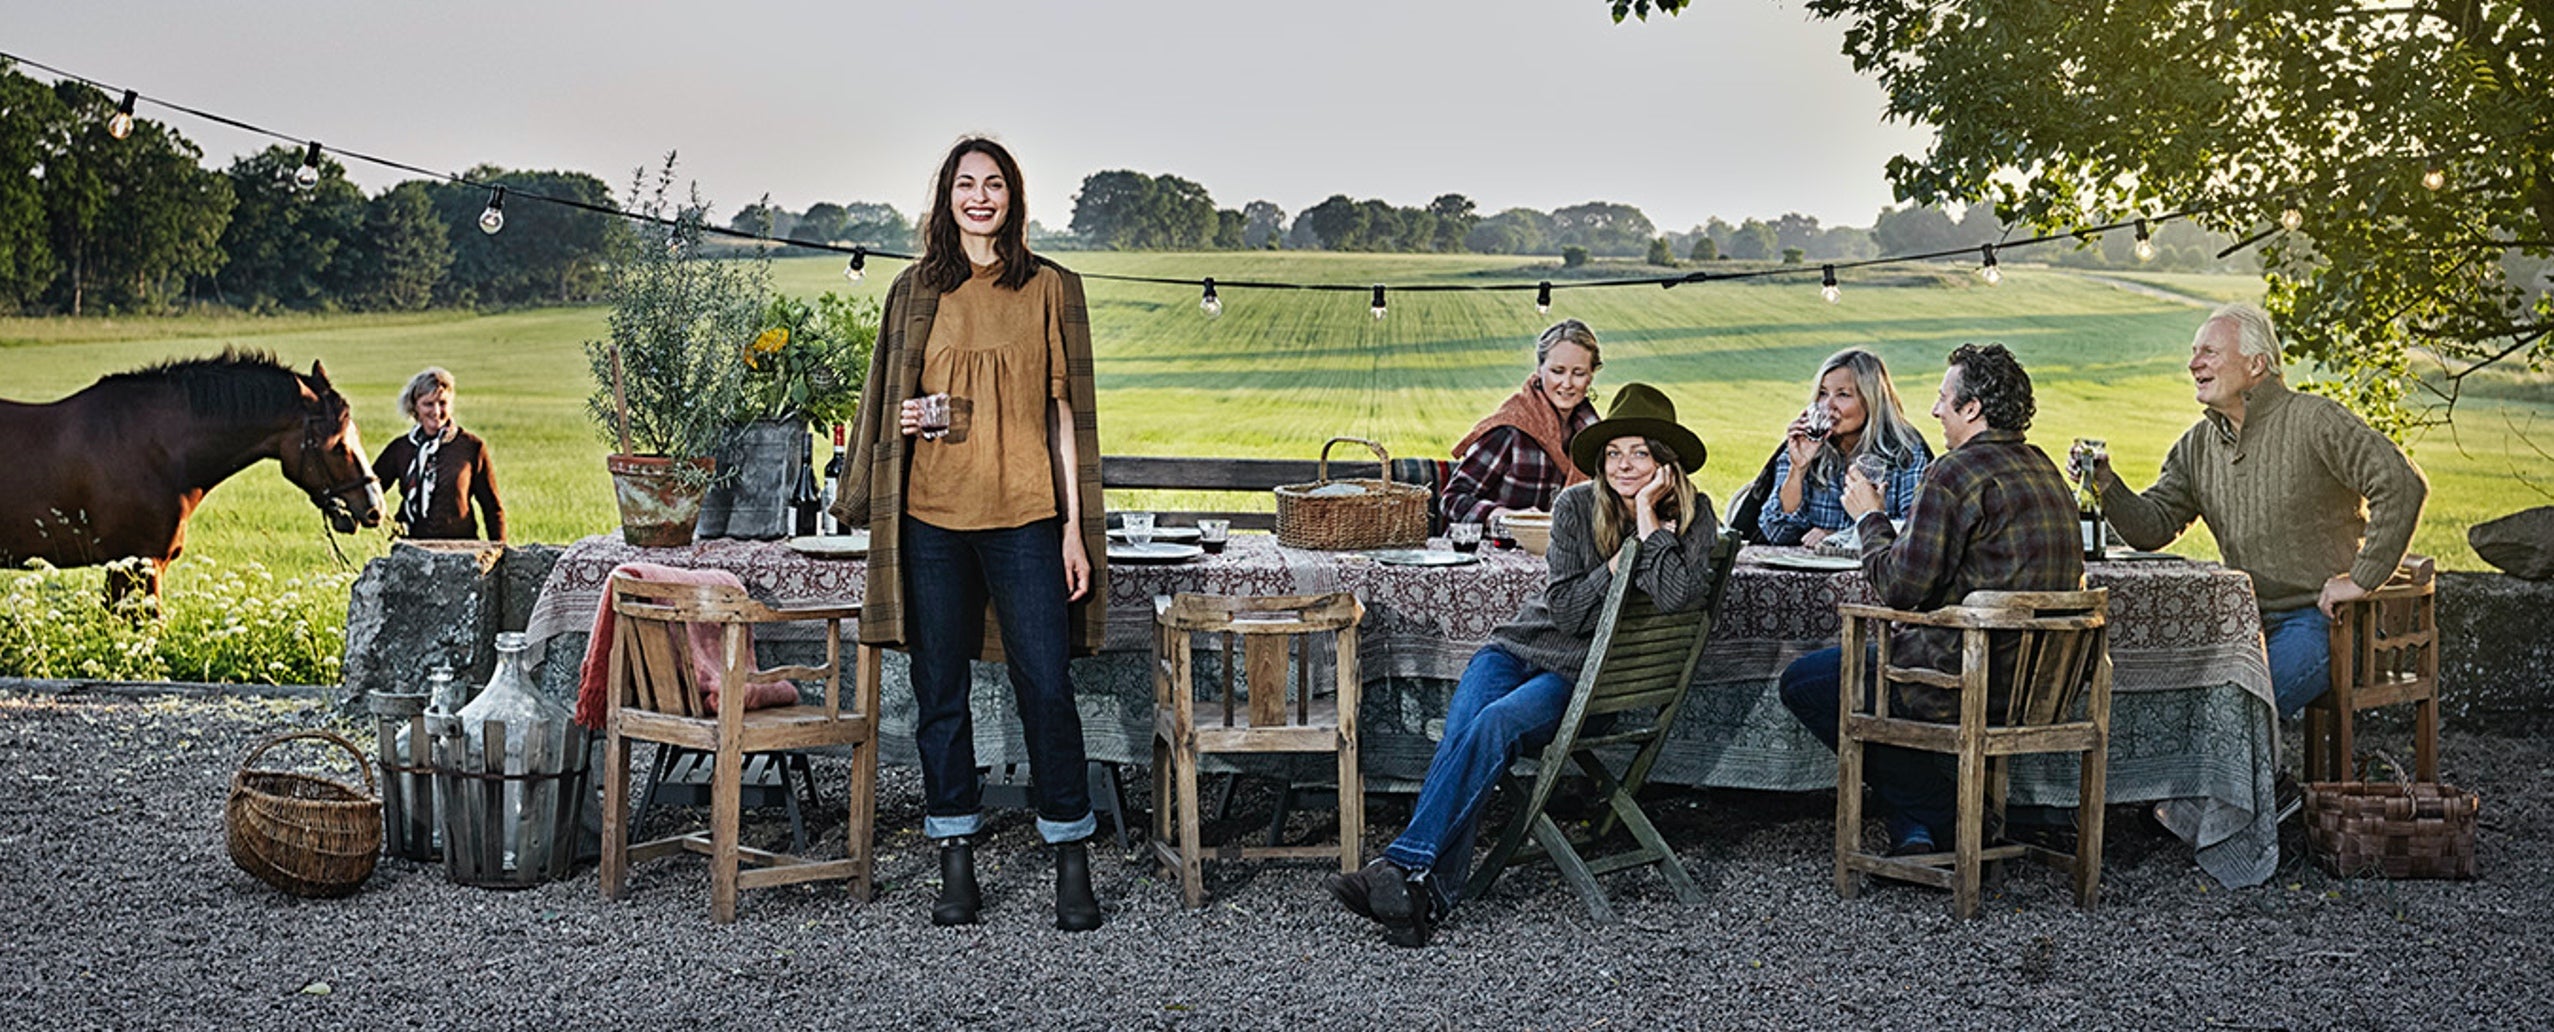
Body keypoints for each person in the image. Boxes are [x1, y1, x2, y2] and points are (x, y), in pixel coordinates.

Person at [829, 136, 1110, 932]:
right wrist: (909, 416)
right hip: (932, 517)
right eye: (965, 184)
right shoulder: (914, 291)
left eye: (993, 185)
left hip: (1025, 517)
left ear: (1013, 198)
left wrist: (1074, 532)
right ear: (946, 198)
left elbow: (1065, 416)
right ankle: (955, 856)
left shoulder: (1051, 287)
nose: (979, 197)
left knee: (1047, 688)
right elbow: (891, 400)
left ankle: (1069, 853)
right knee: (938, 693)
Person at [1329, 383, 1721, 947]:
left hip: (1577, 680)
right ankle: (1421, 895)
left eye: (1639, 453)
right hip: (1514, 650)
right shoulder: (1576, 506)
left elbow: (1677, 597)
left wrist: (1644, 525)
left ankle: (1402, 871)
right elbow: (1563, 611)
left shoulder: (1693, 514)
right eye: (1613, 453)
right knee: (1465, 732)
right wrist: (1613, 566)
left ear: (1666, 463)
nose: (1623, 464)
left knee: (1492, 726)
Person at [1778, 343, 2083, 857]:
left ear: (1972, 408)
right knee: (1864, 672)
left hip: (1965, 679)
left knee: (1805, 683)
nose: (1935, 410)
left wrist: (1868, 516)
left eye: (1944, 399)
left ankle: (1949, 810)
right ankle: (1919, 823)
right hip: (2045, 686)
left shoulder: (1954, 472)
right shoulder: (2044, 467)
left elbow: (1899, 587)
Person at [2081, 301, 2427, 719]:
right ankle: (2262, 781)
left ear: (2257, 363)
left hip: (2327, 624)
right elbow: (2152, 528)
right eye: (2193, 352)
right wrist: (2106, 485)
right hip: (2241, 620)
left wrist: (2360, 579)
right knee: (2155, 693)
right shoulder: (2197, 446)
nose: (2193, 364)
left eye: (2209, 352)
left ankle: (2258, 784)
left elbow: (2401, 483)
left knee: (2229, 711)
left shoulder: (2315, 420)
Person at [1758, 348, 1933, 546]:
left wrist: (1838, 537)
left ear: (1871, 401)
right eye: (1823, 393)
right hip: (1810, 573)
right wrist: (1798, 469)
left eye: (1843, 395)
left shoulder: (1906, 453)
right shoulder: (1803, 444)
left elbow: (1916, 536)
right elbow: (1776, 531)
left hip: (1874, 574)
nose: (1828, 405)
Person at [1440, 319, 1604, 528]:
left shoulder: (1593, 437)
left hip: (1560, 554)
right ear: (1540, 369)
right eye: (1557, 371)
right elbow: (1453, 499)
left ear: (1591, 375)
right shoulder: (1511, 428)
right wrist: (1506, 517)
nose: (1567, 383)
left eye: (1578, 373)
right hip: (1494, 551)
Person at [371, 367, 503, 541]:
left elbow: (492, 507)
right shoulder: (400, 449)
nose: (436, 411)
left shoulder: (471, 447)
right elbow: (371, 491)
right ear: (415, 407)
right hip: (412, 549)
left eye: (442, 403)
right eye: (428, 404)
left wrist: (500, 554)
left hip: (463, 552)